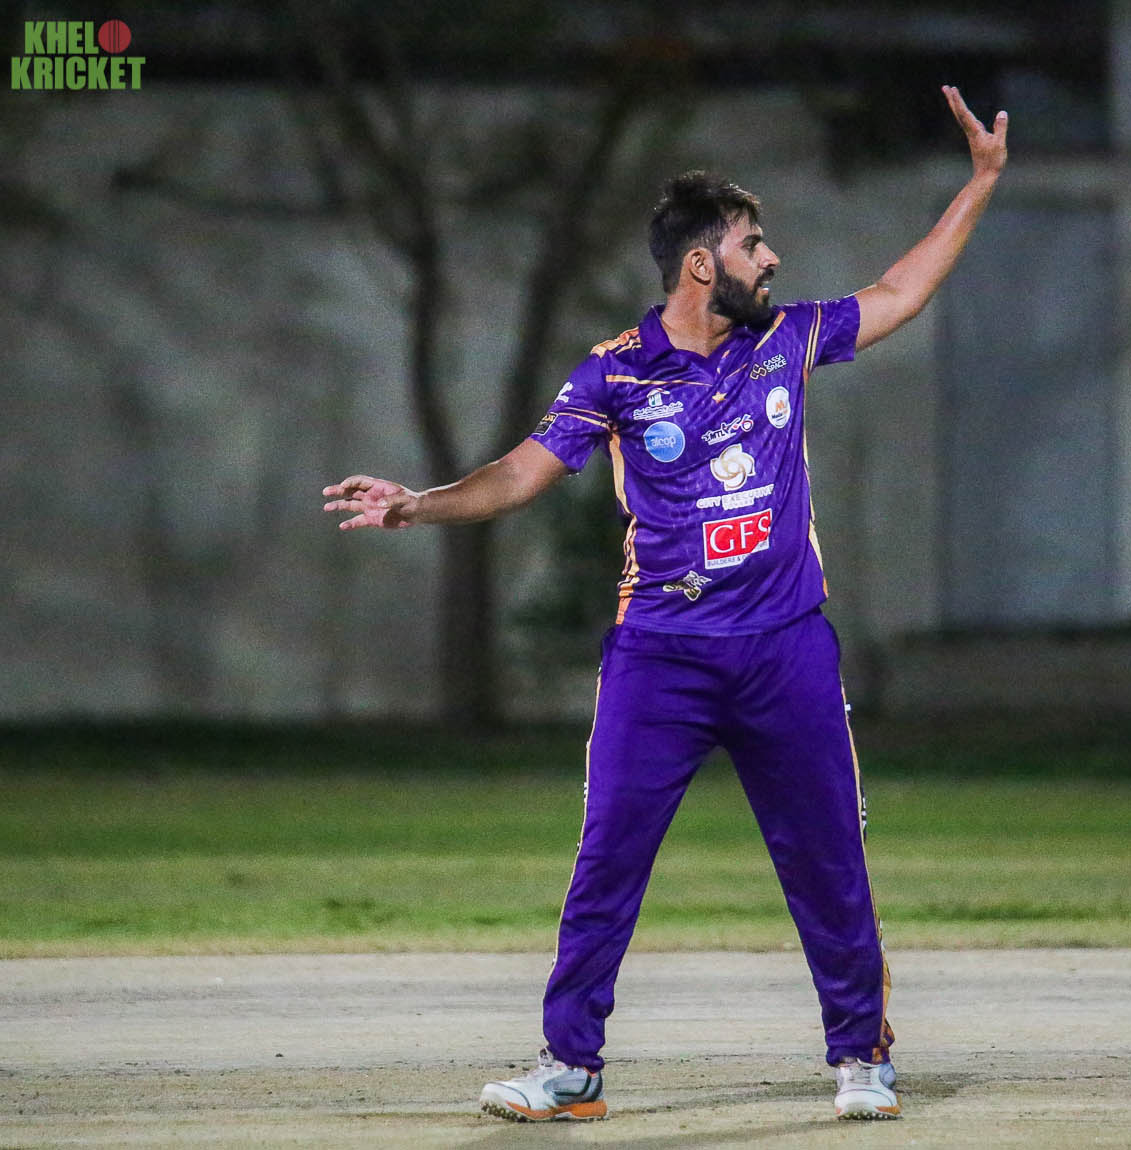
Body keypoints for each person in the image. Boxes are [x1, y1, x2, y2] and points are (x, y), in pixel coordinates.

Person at [322, 85, 1007, 1122]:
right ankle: (571, 1068)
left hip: (784, 647)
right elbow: (520, 472)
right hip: (660, 654)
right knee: (607, 859)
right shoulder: (615, 374)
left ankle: (861, 1056)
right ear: (700, 264)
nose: (772, 259)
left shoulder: (787, 340)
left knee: (827, 858)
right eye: (753, 243)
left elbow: (901, 291)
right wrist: (420, 504)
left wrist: (981, 182)